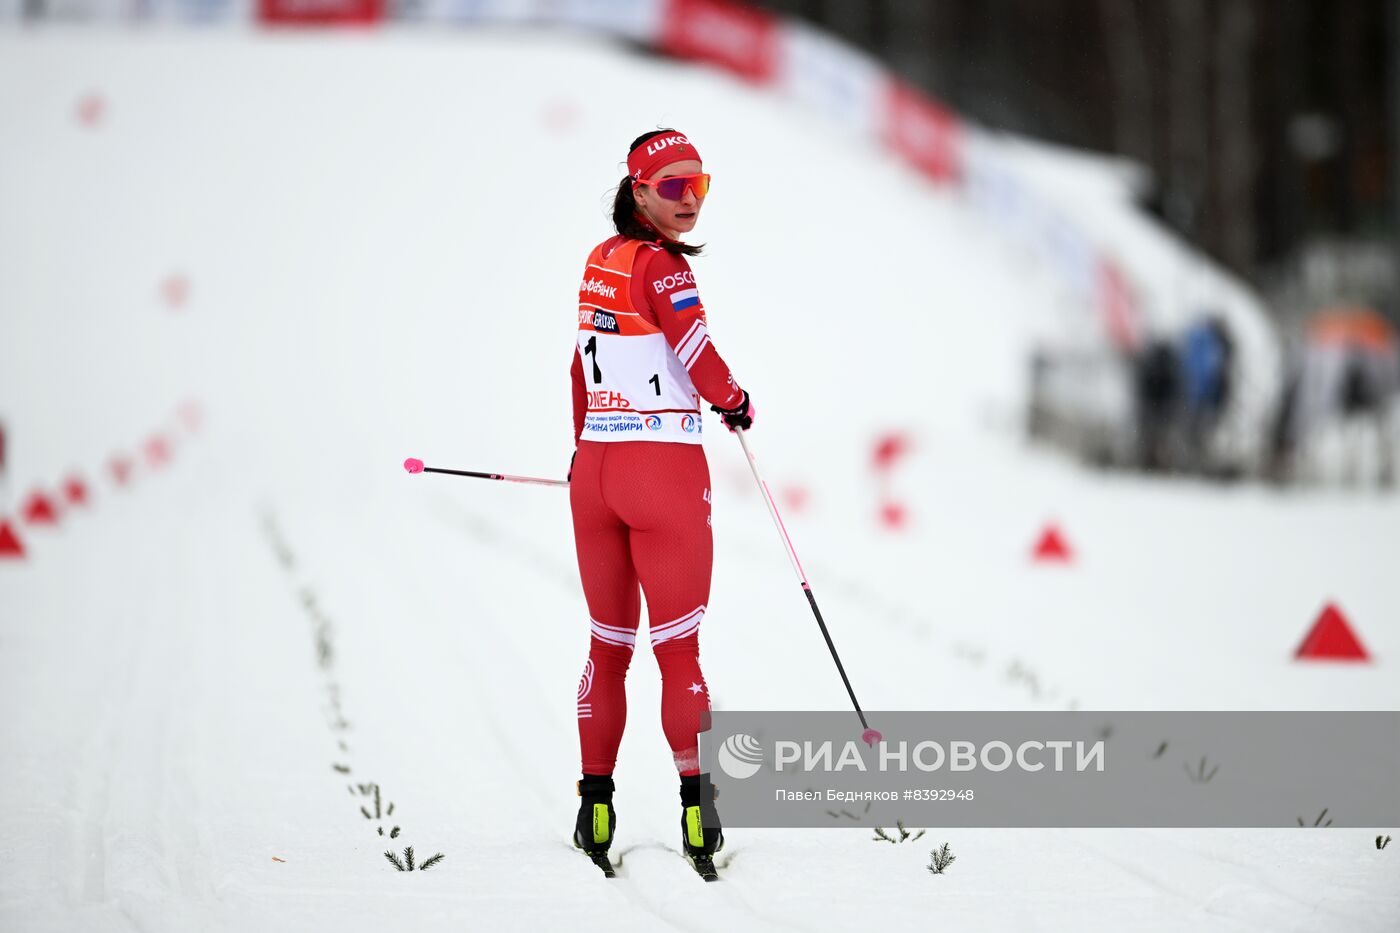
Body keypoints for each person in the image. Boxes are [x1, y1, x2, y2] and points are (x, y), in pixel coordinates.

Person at [568, 129, 755, 867]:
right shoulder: (663, 266)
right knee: (678, 654)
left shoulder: (601, 259)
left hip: (597, 472)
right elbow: (696, 353)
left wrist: (583, 449)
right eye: (674, 187)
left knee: (607, 647)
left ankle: (595, 808)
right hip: (662, 473)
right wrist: (735, 400)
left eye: (699, 185)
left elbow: (578, 368)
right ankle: (697, 815)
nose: (690, 201)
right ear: (639, 190)